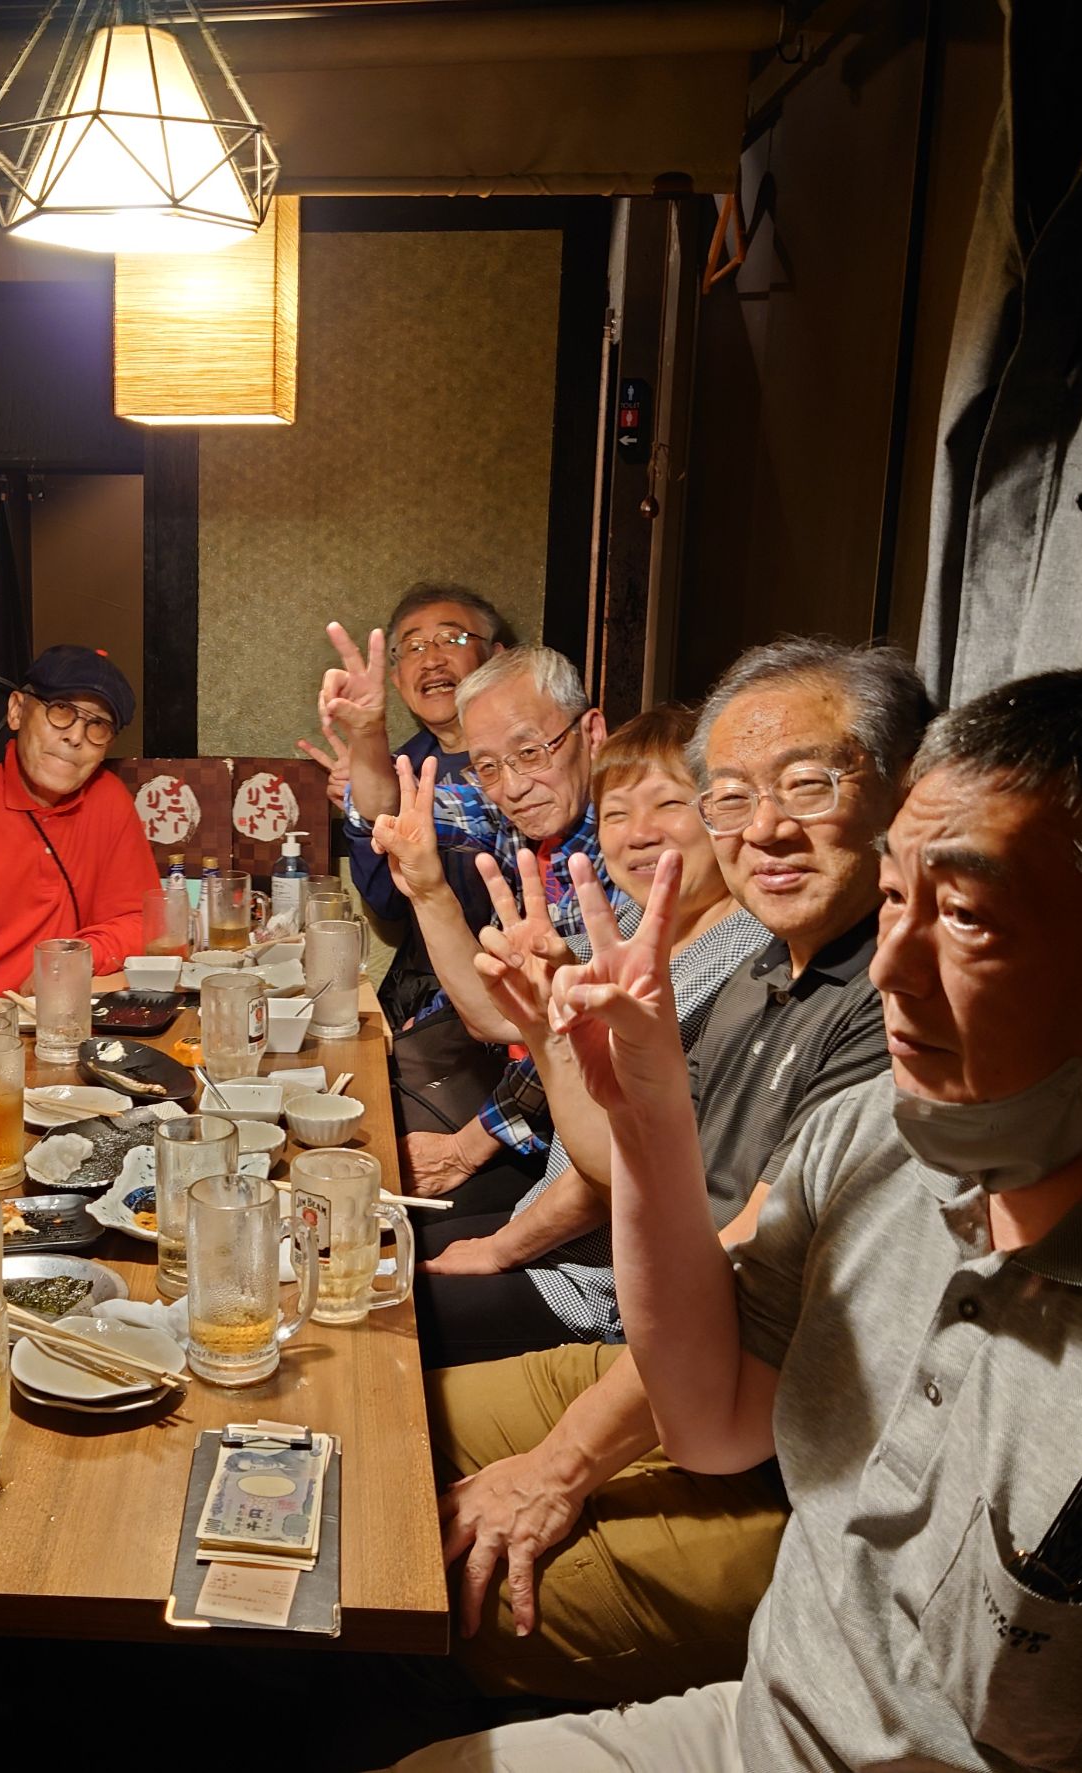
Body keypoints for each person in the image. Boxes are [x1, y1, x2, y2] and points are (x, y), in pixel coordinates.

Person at [402, 667, 1082, 1771]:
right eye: (894, 899)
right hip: (757, 1727)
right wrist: (649, 1123)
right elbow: (711, 1420)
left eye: (965, 916)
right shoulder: (876, 1136)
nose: (890, 966)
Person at [419, 637, 926, 1700]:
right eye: (732, 795)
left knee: (433, 1592)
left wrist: (559, 1466)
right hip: (670, 1360)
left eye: (808, 784)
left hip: (792, 1453)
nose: (765, 827)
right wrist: (552, 1034)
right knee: (386, 1428)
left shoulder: (896, 1002)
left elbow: (741, 1289)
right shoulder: (758, 963)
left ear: (902, 794)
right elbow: (622, 1167)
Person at [406, 706, 770, 1366]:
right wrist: (428, 887)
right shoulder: (631, 920)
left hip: (600, 1288)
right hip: (548, 1230)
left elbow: (629, 1167)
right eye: (616, 814)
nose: (639, 834)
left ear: (725, 812)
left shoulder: (746, 961)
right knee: (365, 1254)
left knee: (374, 1314)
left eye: (668, 803)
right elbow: (496, 1013)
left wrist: (501, 1248)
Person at [355, 643, 632, 1217]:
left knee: (387, 1221)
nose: (512, 786)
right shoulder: (514, 812)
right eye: (488, 767)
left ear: (592, 733)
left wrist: (465, 1149)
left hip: (572, 1132)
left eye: (529, 752)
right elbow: (391, 814)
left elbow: (577, 1042)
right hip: (505, 1064)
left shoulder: (633, 853)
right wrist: (365, 736)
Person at [300, 584, 514, 1026]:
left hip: (516, 992)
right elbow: (387, 903)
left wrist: (366, 780)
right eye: (414, 647)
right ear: (397, 680)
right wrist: (366, 762)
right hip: (431, 998)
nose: (431, 659)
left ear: (496, 658)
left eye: (451, 639)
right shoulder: (401, 765)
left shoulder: (528, 762)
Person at [0, 644, 158, 995]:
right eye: (61, 710)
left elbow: (142, 921)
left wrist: (80, 955)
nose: (76, 737)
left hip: (54, 1015)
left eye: (98, 725)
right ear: (17, 711)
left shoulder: (107, 799)